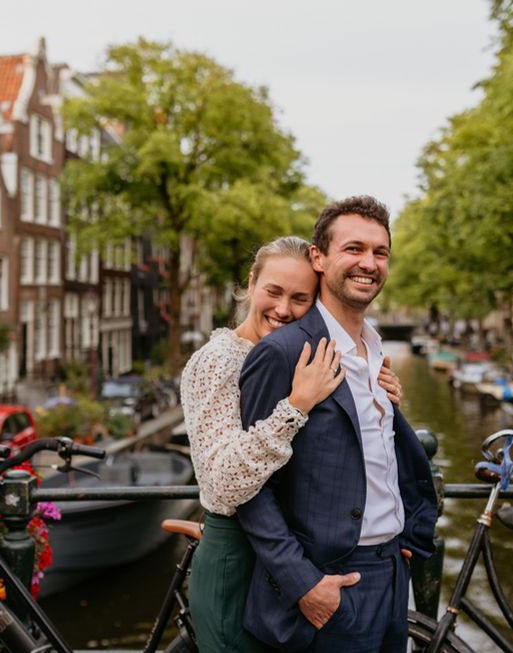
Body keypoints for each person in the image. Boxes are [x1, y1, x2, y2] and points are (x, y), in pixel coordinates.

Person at [180, 235, 405, 653]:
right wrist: (297, 404)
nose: (283, 309)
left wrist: (381, 389)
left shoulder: (300, 355)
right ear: (251, 284)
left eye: (300, 298)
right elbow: (226, 482)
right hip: (237, 554)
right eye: (273, 292)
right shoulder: (216, 361)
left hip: (285, 556)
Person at [235, 196, 439, 652]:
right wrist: (303, 583)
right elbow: (250, 484)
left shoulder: (376, 351)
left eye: (380, 252)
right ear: (319, 257)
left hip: (392, 573)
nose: (368, 263)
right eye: (353, 249)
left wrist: (406, 535)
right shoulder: (284, 352)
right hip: (328, 584)